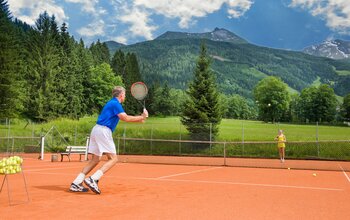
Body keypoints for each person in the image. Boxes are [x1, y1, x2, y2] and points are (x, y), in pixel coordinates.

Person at [69, 86, 148, 194]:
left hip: (96, 130)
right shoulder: (116, 104)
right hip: (103, 131)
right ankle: (93, 179)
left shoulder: (111, 103)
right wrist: (141, 117)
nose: (125, 96)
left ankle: (76, 183)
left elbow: (126, 118)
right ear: (120, 95)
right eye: (124, 94)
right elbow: (125, 118)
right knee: (113, 159)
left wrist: (141, 119)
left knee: (95, 160)